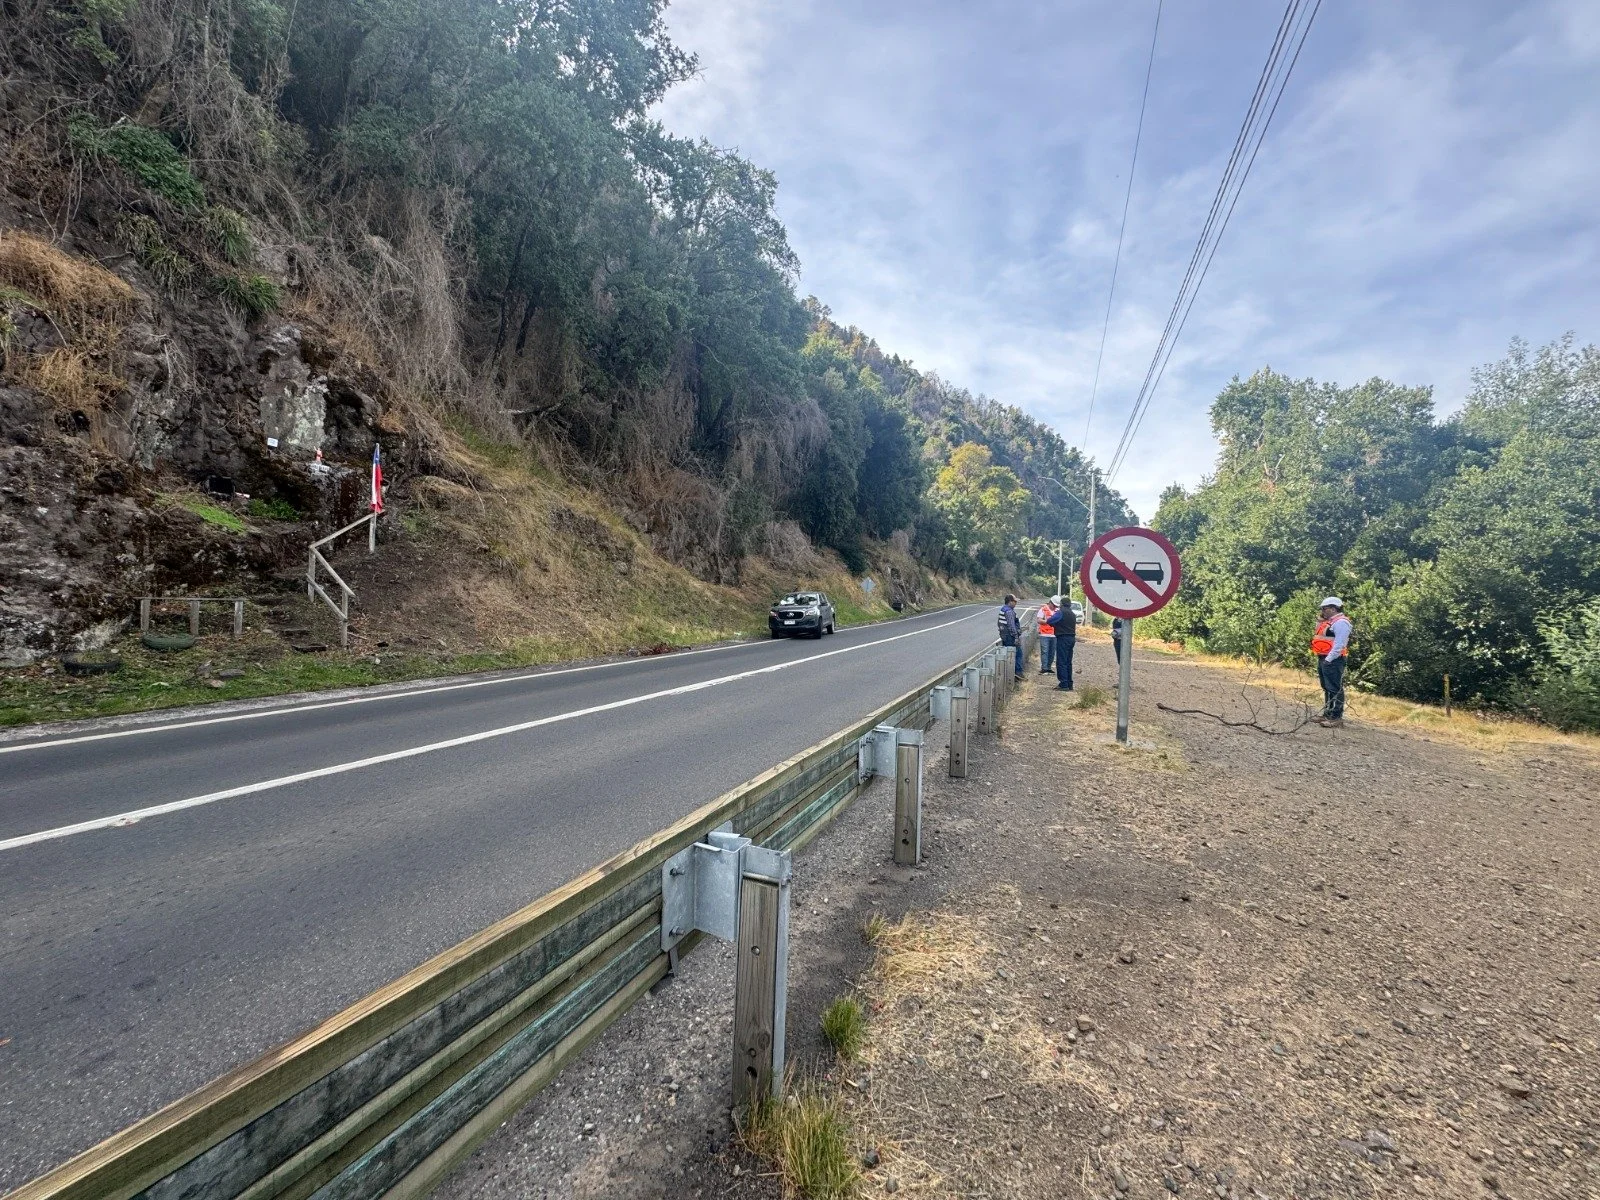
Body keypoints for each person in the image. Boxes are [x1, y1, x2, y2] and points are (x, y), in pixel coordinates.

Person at [1312, 596, 1353, 727]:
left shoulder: (1341, 623)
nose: (1322, 611)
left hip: (1333, 659)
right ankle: (1327, 714)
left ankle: (1336, 717)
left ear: (1333, 608)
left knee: (1335, 688)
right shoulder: (1329, 622)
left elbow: (1339, 644)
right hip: (1324, 657)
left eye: (1325, 608)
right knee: (1327, 687)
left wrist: (1329, 659)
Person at [1046, 595, 1076, 690]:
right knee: (1068, 661)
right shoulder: (1072, 613)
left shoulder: (1061, 612)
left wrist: (1053, 624)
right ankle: (1069, 683)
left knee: (1061, 661)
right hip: (1072, 638)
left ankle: (1063, 684)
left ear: (1061, 604)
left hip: (1063, 638)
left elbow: (1050, 620)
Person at [997, 594, 1024, 682]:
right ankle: (1017, 673)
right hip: (1010, 636)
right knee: (1018, 654)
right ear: (1010, 602)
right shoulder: (1009, 611)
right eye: (1015, 601)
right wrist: (1016, 637)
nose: (1016, 603)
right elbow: (1011, 626)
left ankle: (1011, 674)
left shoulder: (1003, 609)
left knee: (1009, 655)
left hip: (1005, 636)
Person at [1037, 596, 1058, 673]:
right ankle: (1044, 668)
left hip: (1054, 635)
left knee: (1052, 652)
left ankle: (1049, 667)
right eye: (1054, 605)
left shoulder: (1058, 611)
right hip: (1044, 634)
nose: (1055, 607)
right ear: (1050, 602)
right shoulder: (1043, 609)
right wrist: (1048, 621)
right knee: (1045, 651)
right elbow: (1039, 620)